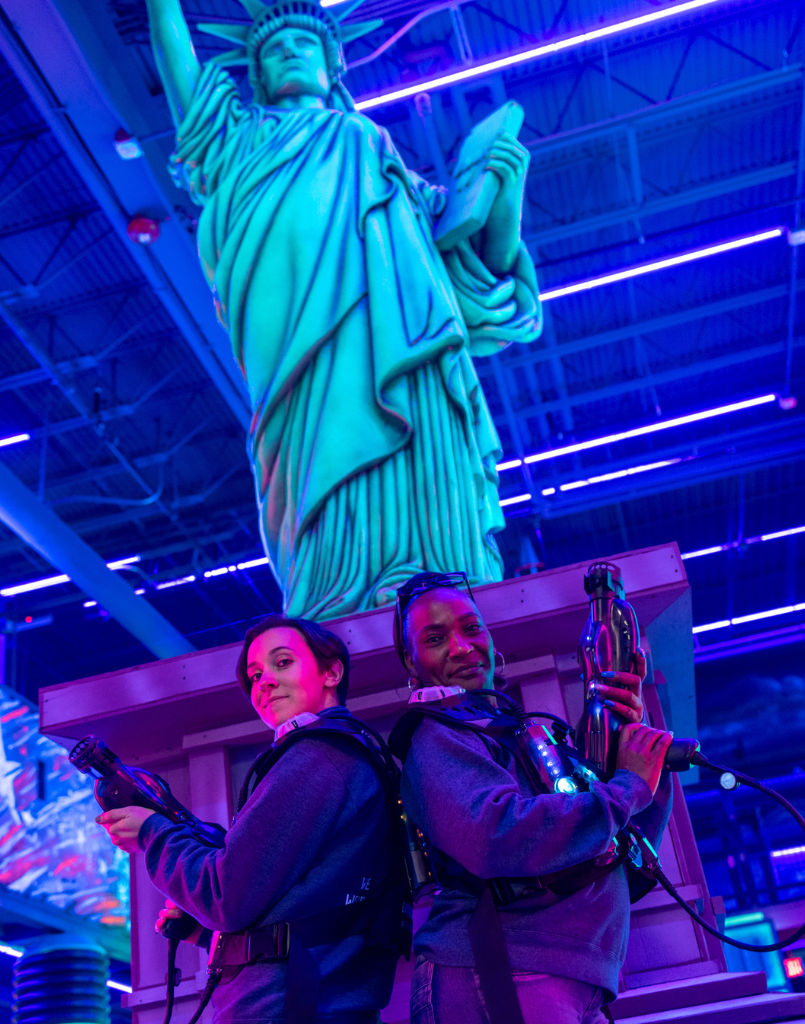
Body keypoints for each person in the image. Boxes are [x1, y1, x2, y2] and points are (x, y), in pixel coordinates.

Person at [143, 0, 542, 620]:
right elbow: (179, 69)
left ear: (334, 68)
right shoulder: (237, 142)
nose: (291, 52)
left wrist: (505, 194)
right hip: (303, 362)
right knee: (322, 464)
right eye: (275, 50)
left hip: (403, 345)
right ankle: (341, 592)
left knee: (414, 465)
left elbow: (472, 276)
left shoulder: (373, 147)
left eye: (306, 44)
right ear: (258, 77)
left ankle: (431, 578)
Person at [388, 572, 674, 1024]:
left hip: (568, 977)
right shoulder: (437, 736)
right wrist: (626, 789)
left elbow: (619, 845)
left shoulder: (516, 728)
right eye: (436, 637)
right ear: (411, 660)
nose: (462, 647)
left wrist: (631, 754)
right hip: (502, 970)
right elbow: (495, 836)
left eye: (471, 627)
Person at [97, 614, 402, 1024]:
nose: (265, 682)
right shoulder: (344, 755)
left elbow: (227, 895)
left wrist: (153, 834)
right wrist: (205, 933)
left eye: (282, 663)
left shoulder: (316, 758)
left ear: (331, 671)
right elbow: (310, 912)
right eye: (255, 675)